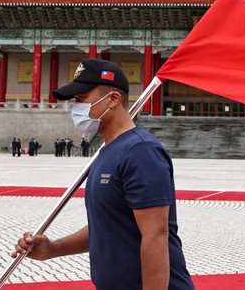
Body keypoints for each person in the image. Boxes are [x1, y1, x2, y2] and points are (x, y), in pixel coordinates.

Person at [11, 58, 194, 289]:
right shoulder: (107, 151)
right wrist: (52, 249)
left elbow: (155, 235)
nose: (76, 107)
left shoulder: (141, 151)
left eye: (82, 99)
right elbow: (109, 225)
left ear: (113, 99)